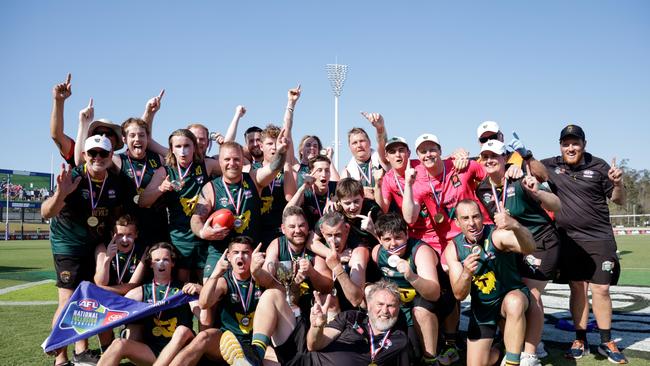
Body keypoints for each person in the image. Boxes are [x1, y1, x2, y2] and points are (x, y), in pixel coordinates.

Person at [541, 124, 627, 364]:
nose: (571, 148)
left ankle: (606, 340)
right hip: (568, 240)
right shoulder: (550, 165)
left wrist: (618, 183)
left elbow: (618, 201)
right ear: (560, 146)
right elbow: (527, 166)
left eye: (575, 143)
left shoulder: (599, 166)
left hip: (600, 238)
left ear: (584, 145)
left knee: (601, 289)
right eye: (566, 143)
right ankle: (580, 339)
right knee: (578, 288)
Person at [476, 140, 562, 366]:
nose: (489, 160)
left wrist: (538, 193)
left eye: (494, 156)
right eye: (484, 156)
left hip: (541, 242)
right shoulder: (483, 188)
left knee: (531, 293)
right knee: (515, 294)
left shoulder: (519, 177)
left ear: (505, 158)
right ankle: (520, 340)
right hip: (514, 247)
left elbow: (556, 205)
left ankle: (532, 353)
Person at [42, 135, 123, 366]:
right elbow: (46, 213)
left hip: (94, 245)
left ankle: (83, 353)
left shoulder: (114, 182)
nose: (97, 157)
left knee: (91, 299)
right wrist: (61, 193)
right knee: (68, 301)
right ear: (85, 155)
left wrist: (111, 240)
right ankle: (60, 359)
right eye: (92, 153)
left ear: (110, 157)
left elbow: (115, 213)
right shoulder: (74, 178)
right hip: (68, 245)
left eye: (103, 153)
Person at [222, 279, 409, 366]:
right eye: (380, 304)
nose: (385, 310)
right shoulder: (352, 317)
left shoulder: (398, 339)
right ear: (368, 306)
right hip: (303, 358)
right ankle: (255, 354)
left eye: (391, 306)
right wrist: (318, 326)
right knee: (272, 296)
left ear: (398, 309)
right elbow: (314, 345)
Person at [445, 199, 535, 366]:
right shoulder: (453, 249)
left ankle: (513, 362)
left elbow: (530, 247)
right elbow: (459, 294)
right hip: (483, 309)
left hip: (510, 297)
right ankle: (502, 348)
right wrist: (466, 273)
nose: (472, 223)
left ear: (482, 217)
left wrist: (515, 225)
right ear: (457, 222)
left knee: (513, 302)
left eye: (475, 217)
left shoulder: (496, 235)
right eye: (465, 218)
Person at [191, 134, 290, 281]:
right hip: (221, 251)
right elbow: (196, 218)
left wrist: (281, 152)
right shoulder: (211, 188)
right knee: (209, 292)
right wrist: (203, 232)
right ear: (219, 161)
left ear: (242, 160)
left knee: (262, 291)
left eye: (237, 159)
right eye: (227, 159)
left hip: (250, 252)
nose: (232, 163)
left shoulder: (254, 179)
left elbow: (274, 168)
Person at [97, 242, 201, 366]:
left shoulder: (185, 289)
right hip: (152, 351)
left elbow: (204, 317)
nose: (161, 263)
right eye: (156, 260)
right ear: (151, 264)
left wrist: (200, 290)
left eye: (166, 260)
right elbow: (113, 311)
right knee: (118, 343)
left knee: (182, 331)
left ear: (173, 263)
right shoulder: (140, 292)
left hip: (180, 351)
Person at [139, 129, 221, 282]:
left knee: (206, 283)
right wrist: (160, 189)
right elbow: (142, 201)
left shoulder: (206, 165)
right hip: (179, 239)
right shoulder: (165, 171)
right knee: (183, 285)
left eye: (187, 146)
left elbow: (235, 169)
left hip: (204, 235)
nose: (183, 151)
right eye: (178, 147)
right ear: (171, 149)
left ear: (194, 147)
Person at [167, 236, 263, 366]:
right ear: (228, 256)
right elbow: (203, 303)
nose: (240, 257)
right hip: (226, 340)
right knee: (203, 337)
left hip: (257, 342)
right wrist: (215, 273)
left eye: (245, 253)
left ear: (253, 255)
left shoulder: (262, 278)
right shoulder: (223, 281)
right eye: (236, 252)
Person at [372, 212, 453, 365]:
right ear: (379, 239)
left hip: (433, 303)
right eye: (387, 239)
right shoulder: (377, 253)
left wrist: (412, 276)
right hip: (403, 306)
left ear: (407, 234)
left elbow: (434, 293)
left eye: (398, 237)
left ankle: (431, 358)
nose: (393, 244)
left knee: (420, 311)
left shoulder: (420, 252)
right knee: (408, 354)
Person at [255, 206, 333, 315]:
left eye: (301, 225)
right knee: (271, 293)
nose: (297, 230)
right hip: (284, 302)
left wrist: (312, 272)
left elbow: (327, 287)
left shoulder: (314, 246)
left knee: (329, 299)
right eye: (292, 226)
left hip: (312, 304)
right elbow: (266, 281)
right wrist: (255, 270)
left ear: (307, 226)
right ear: (283, 229)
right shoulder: (277, 245)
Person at [257, 124, 297, 248]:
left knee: (280, 268)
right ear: (261, 146)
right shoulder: (251, 170)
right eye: (269, 144)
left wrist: (285, 163)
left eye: (277, 143)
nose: (274, 147)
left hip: (279, 232)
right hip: (257, 231)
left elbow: (290, 198)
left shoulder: (287, 171)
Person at [340, 113, 389, 198]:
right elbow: (343, 197)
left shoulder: (381, 159)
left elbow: (382, 143)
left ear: (369, 142)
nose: (359, 145)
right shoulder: (347, 172)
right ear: (349, 147)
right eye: (354, 143)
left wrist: (380, 128)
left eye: (362, 141)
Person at [285, 155, 338, 230]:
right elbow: (287, 213)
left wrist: (335, 198)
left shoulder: (336, 187)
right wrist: (303, 188)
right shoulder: (305, 191)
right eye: (319, 170)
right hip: (311, 237)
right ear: (311, 173)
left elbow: (348, 190)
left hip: (332, 235)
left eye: (327, 170)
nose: (324, 174)